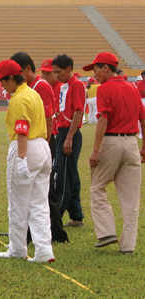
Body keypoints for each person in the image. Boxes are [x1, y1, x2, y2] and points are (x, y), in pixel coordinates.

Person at [0, 60, 54, 263]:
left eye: (2, 81)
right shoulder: (33, 93)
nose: (1, 86)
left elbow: (22, 129)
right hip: (42, 146)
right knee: (40, 204)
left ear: (11, 79)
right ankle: (44, 249)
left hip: (25, 148)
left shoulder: (18, 99)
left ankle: (17, 248)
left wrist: (22, 159)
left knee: (17, 202)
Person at [83, 52, 145, 255]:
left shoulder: (105, 89)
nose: (95, 74)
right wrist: (143, 147)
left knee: (97, 187)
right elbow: (143, 118)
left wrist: (95, 151)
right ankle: (128, 246)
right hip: (131, 143)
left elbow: (102, 119)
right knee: (131, 198)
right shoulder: (133, 88)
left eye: (96, 70)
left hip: (111, 142)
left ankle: (106, 232)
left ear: (106, 68)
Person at [10, 52, 68, 244]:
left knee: (43, 193)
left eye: (19, 71)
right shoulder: (30, 88)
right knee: (38, 192)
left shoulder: (40, 87)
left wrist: (46, 143)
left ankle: (57, 233)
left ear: (27, 68)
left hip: (41, 142)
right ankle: (39, 235)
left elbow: (49, 117)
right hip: (39, 142)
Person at [52, 54, 86, 228]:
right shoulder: (65, 86)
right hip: (63, 132)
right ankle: (76, 216)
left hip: (69, 133)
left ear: (69, 69)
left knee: (63, 177)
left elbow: (79, 112)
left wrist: (69, 138)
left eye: (59, 72)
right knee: (72, 175)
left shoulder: (77, 85)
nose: (56, 75)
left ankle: (54, 221)